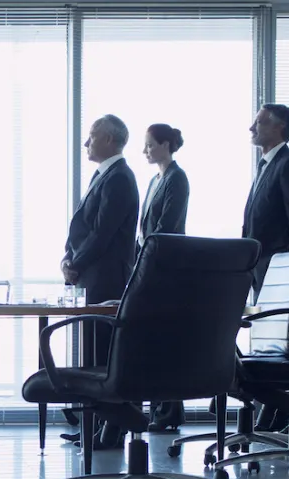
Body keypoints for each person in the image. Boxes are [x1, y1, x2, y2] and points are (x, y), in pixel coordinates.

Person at [59, 114, 139, 450]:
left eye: (91, 136)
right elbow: (81, 227)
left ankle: (112, 429)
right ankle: (95, 425)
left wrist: (75, 263)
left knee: (106, 356)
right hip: (91, 275)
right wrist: (67, 258)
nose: (86, 143)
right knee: (92, 353)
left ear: (108, 139)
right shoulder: (103, 175)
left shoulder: (120, 177)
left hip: (107, 278)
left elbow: (103, 233)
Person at [242, 103, 289, 435]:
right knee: (273, 349)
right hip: (264, 274)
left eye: (259, 122)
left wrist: (287, 272)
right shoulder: (266, 167)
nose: (251, 128)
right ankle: (275, 417)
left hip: (282, 277)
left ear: (280, 127)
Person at [139, 123, 191, 432]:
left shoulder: (176, 178)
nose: (145, 150)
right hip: (150, 267)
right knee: (154, 341)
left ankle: (170, 411)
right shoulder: (154, 180)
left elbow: (167, 226)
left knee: (167, 340)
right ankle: (160, 409)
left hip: (167, 268)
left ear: (166, 144)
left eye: (149, 145)